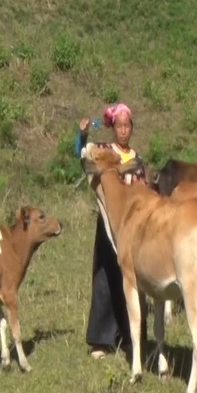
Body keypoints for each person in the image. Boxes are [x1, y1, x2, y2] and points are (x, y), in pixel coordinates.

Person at [75, 102, 148, 360]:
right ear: (113, 127)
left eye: (127, 126)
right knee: (105, 277)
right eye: (119, 126)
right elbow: (82, 155)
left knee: (133, 279)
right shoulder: (104, 152)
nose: (124, 131)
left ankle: (131, 337)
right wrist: (82, 136)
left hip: (134, 225)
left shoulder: (136, 159)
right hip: (109, 222)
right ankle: (101, 340)